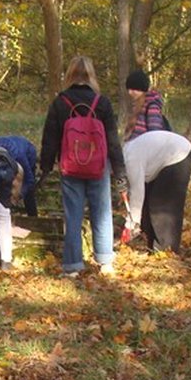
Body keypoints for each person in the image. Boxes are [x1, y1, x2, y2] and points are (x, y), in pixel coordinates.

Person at [40, 55, 126, 277]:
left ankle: (72, 265)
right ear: (91, 75)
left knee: (73, 214)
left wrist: (46, 166)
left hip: (70, 165)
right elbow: (112, 141)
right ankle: (105, 260)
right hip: (99, 166)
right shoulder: (102, 103)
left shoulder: (60, 102)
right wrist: (120, 172)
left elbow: (50, 138)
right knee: (102, 212)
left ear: (69, 75)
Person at [120, 129, 191, 253]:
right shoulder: (128, 152)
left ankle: (166, 249)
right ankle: (150, 241)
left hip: (179, 155)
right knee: (149, 199)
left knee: (161, 205)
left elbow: (137, 192)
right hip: (164, 158)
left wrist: (131, 223)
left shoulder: (131, 160)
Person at [0, 136, 39, 216]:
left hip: (28, 153)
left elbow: (29, 181)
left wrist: (20, 194)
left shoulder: (20, 157)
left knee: (29, 193)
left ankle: (33, 216)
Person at [124, 69, 167, 141]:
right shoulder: (136, 105)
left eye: (133, 89)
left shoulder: (152, 107)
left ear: (142, 89)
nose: (130, 92)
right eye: (128, 89)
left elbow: (155, 135)